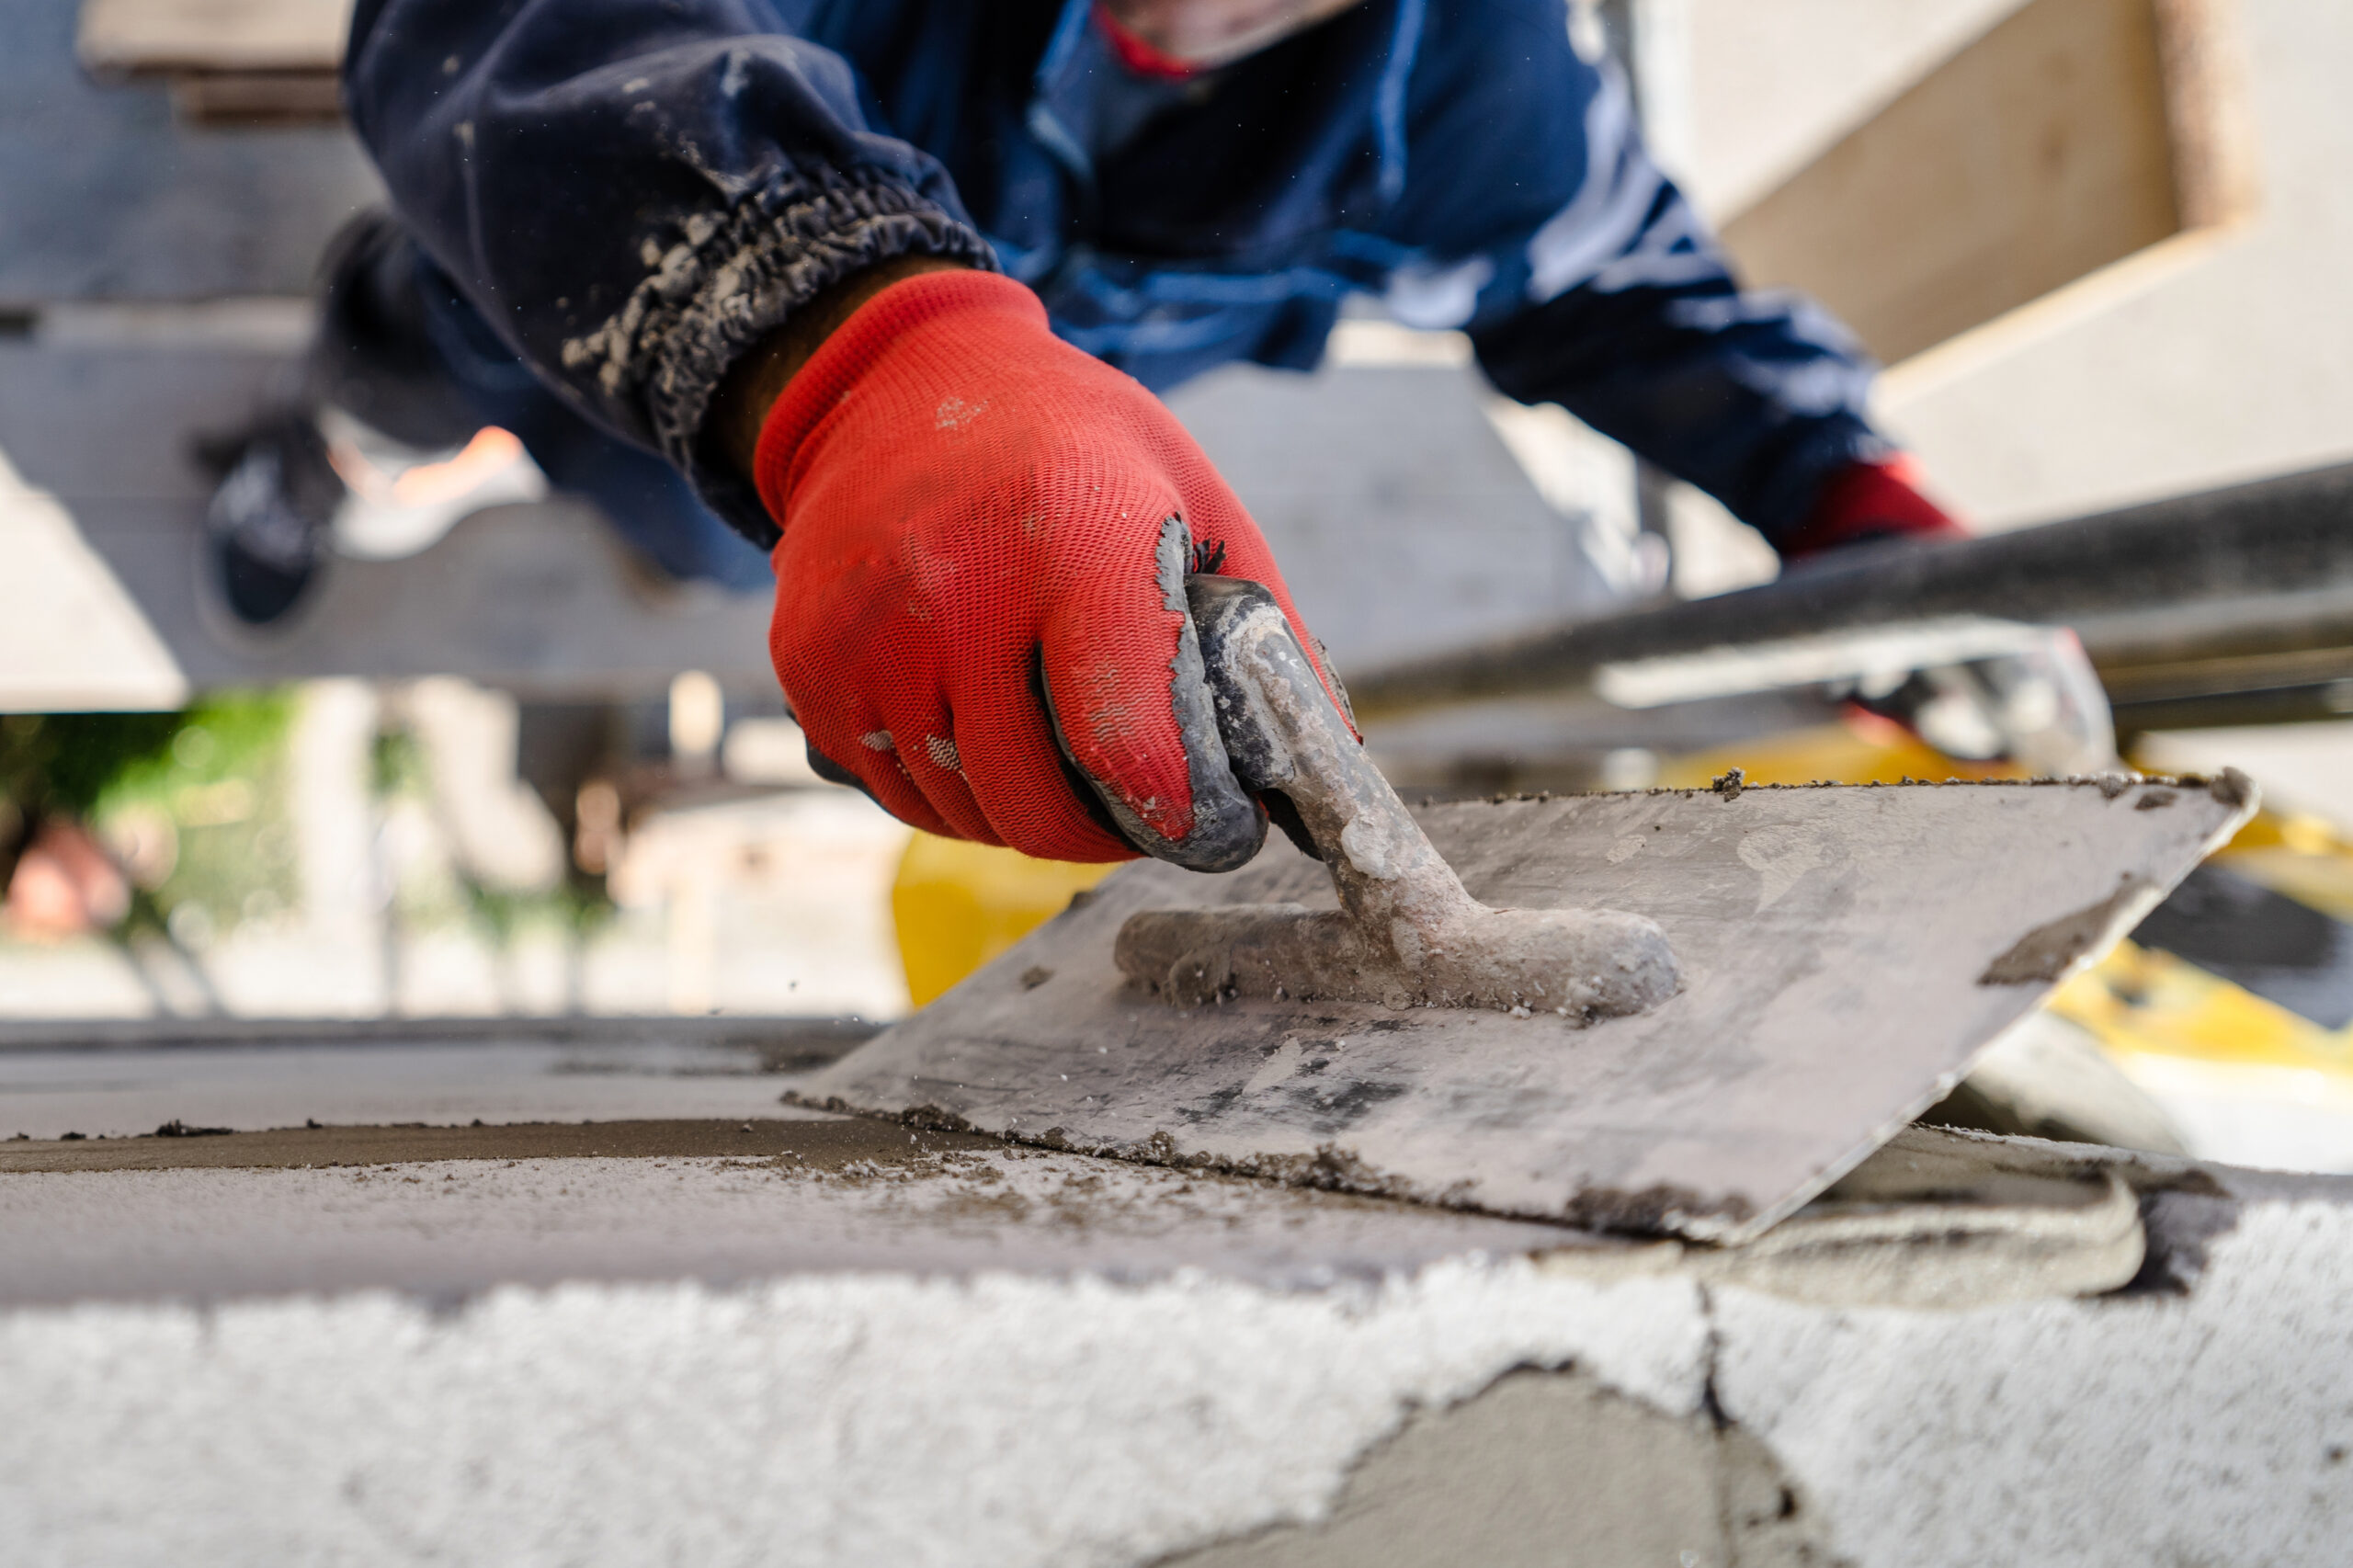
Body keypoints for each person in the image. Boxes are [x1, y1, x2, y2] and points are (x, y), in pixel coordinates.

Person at [205, 0, 1972, 871]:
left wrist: (1842, 491)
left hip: (821, 485)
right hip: (603, 260)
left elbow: (1625, 283)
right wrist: (836, 322)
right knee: (417, 351)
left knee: (672, 537)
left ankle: (580, 484)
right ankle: (343, 465)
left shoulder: (1466, 90)